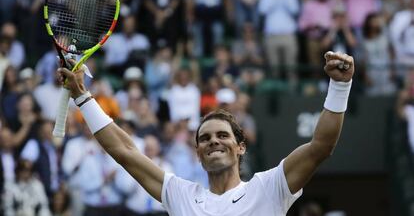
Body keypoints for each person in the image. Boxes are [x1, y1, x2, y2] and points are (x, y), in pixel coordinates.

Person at [57, 51, 354, 216]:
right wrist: (83, 97)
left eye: (223, 136)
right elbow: (126, 152)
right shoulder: (181, 195)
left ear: (241, 147)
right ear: (197, 154)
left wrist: (340, 87)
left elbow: (321, 146)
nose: (213, 140)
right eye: (205, 138)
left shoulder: (269, 188)